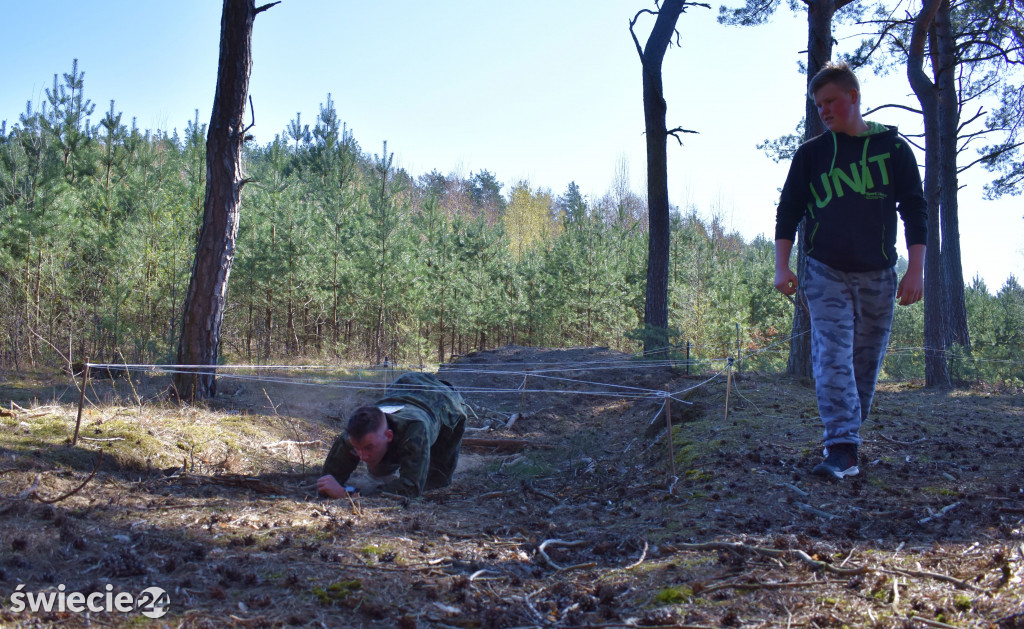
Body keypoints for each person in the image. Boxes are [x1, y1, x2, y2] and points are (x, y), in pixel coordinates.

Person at [774, 61, 927, 481]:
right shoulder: (811, 155)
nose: (823, 110)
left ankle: (848, 442)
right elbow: (788, 211)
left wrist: (916, 271)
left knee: (864, 363)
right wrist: (781, 265)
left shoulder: (894, 150)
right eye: (818, 104)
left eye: (830, 101)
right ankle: (840, 447)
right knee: (832, 358)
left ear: (854, 97)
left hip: (878, 274)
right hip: (825, 271)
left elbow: (915, 209)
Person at [317, 372, 469, 498]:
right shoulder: (351, 436)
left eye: (369, 447)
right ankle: (390, 461)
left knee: (435, 483)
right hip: (403, 389)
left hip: (444, 403)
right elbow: (327, 483)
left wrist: (348, 494)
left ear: (389, 436)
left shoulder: (415, 430)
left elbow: (410, 490)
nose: (362, 456)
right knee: (379, 470)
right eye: (358, 449)